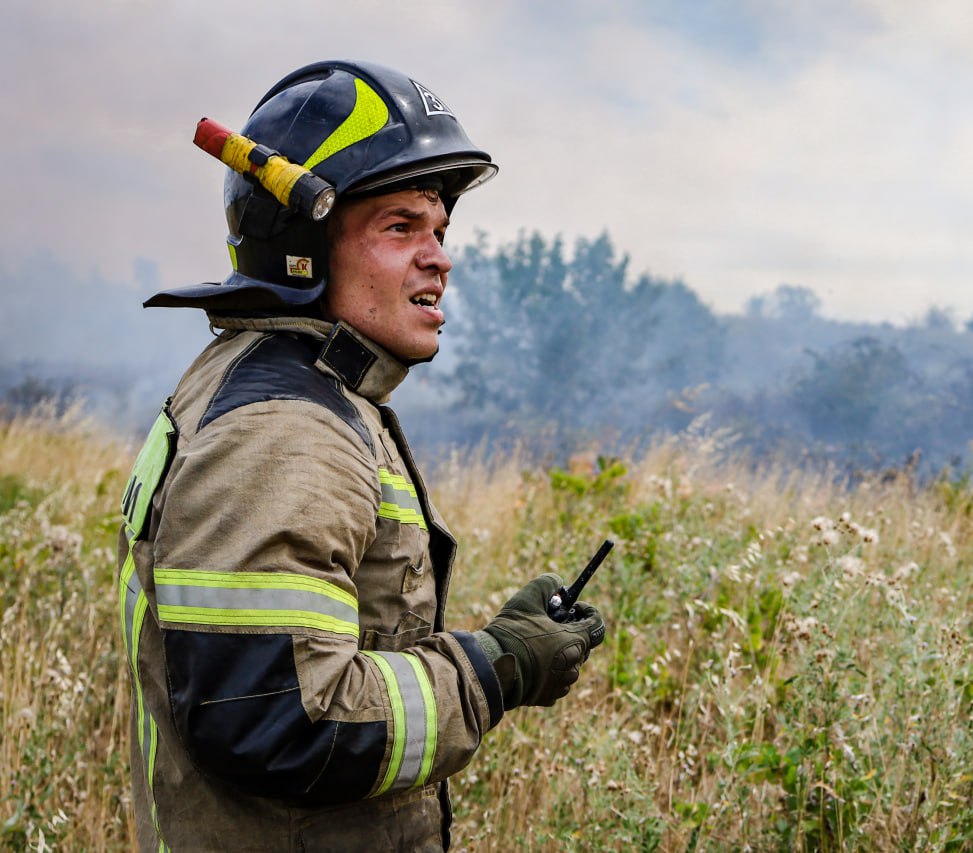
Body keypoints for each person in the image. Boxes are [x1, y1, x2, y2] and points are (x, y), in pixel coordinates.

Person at [116, 59, 606, 852]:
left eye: (440, 231)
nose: (439, 258)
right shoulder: (286, 429)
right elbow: (280, 717)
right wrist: (496, 667)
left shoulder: (301, 390)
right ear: (301, 246)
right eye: (400, 227)